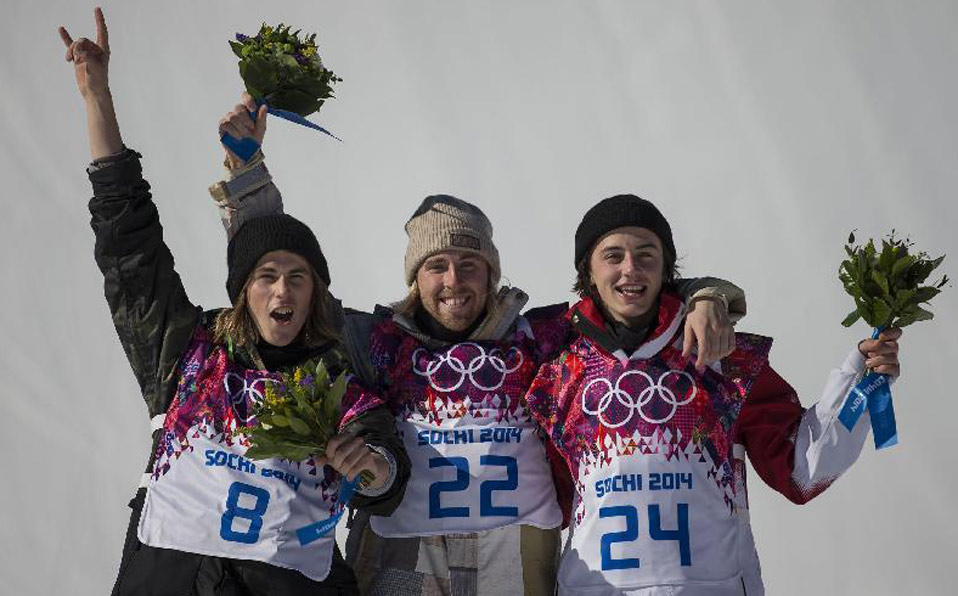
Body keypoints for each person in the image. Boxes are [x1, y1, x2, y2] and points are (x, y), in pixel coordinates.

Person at [210, 97, 747, 595]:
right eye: (436, 266)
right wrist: (248, 173)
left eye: (470, 265)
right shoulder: (374, 339)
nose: (454, 280)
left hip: (514, 549)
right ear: (415, 277)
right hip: (403, 546)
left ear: (491, 275)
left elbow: (625, 291)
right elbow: (278, 279)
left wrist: (705, 295)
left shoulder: (540, 335)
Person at [59, 9, 409, 595]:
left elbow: (384, 463)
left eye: (299, 278)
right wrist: (97, 96)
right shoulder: (184, 352)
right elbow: (128, 245)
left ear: (315, 293)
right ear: (243, 291)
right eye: (267, 275)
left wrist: (371, 468)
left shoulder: (336, 380)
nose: (282, 290)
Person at [524, 195, 903, 595]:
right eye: (612, 256)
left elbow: (800, 472)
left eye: (646, 254)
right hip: (593, 588)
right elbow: (541, 499)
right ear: (588, 269)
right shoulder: (554, 363)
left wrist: (858, 384)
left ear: (667, 266)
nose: (630, 269)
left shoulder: (723, 357)